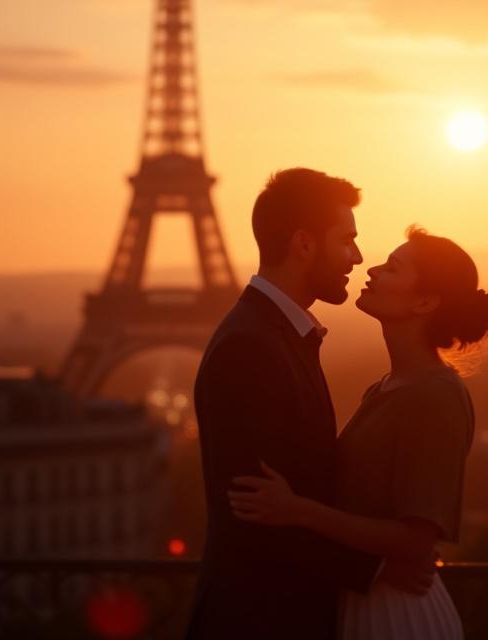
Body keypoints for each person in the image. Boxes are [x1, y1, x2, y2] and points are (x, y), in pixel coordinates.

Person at [185, 169, 437, 640]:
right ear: (304, 244)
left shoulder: (275, 337)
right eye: (346, 240)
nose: (358, 257)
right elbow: (256, 513)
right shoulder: (252, 349)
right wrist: (375, 569)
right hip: (260, 623)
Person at [229, 225, 488, 639]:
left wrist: (297, 509)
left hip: (397, 614)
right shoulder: (388, 387)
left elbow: (414, 540)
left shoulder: (436, 396)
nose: (370, 269)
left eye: (392, 268)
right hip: (368, 600)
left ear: (425, 300)